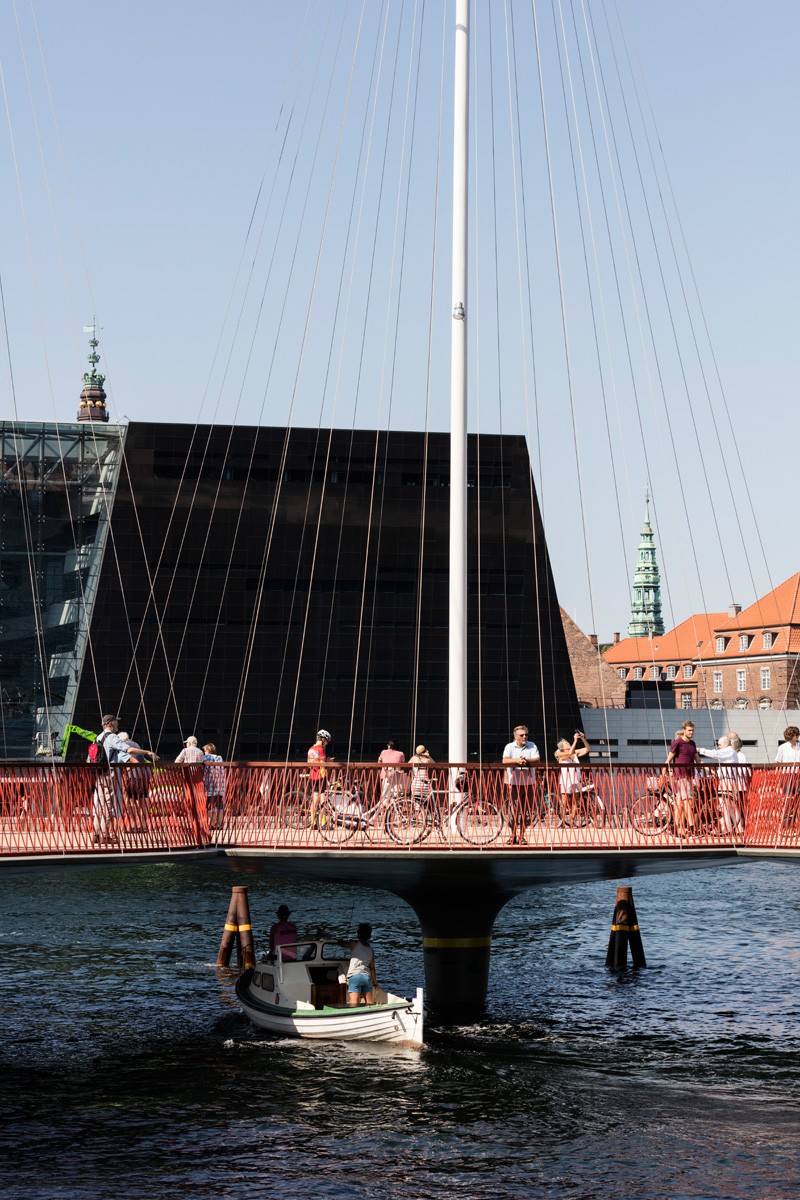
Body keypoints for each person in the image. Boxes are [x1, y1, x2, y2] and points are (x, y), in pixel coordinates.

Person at [92, 714, 159, 843]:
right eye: (116, 722)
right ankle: (105, 836)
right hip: (110, 775)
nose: (118, 725)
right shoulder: (111, 737)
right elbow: (128, 749)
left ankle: (96, 835)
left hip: (100, 774)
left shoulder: (98, 737)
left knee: (100, 805)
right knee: (108, 805)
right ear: (110, 724)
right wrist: (147, 752)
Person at [698, 734, 748, 833]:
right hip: (728, 781)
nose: (719, 747)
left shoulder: (728, 751)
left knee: (725, 805)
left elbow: (714, 753)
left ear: (725, 744)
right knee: (730, 806)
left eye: (720, 745)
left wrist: (700, 750)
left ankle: (727, 829)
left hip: (727, 781)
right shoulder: (730, 751)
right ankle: (737, 828)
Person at [502, 724, 540, 844]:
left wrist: (526, 760)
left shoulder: (532, 745)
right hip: (514, 783)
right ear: (515, 736)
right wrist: (517, 761)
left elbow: (537, 759)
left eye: (526, 734)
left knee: (526, 811)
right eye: (521, 735)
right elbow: (505, 760)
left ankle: (521, 836)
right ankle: (513, 835)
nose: (524, 737)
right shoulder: (510, 746)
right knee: (514, 811)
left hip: (529, 783)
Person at [665, 719, 700, 836]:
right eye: (689, 730)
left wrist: (708, 769)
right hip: (681, 776)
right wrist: (668, 770)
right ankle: (691, 828)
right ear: (684, 730)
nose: (691, 733)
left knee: (680, 803)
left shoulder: (693, 744)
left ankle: (676, 828)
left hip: (689, 776)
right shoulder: (678, 743)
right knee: (687, 802)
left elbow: (698, 760)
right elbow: (668, 760)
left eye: (693, 731)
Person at [555, 731, 591, 827]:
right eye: (566, 743)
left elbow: (588, 749)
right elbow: (569, 752)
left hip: (575, 779)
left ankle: (571, 820)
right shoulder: (559, 754)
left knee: (575, 801)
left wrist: (583, 739)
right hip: (566, 780)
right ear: (562, 746)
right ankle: (562, 820)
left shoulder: (575, 753)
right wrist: (575, 740)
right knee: (564, 801)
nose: (568, 743)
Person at [342, 922, 378, 1006]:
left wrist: (340, 940)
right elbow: (372, 968)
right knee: (369, 1003)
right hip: (367, 977)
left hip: (355, 977)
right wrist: (375, 981)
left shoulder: (354, 944)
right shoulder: (370, 949)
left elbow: (342, 944)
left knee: (354, 1003)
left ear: (359, 933)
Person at [307, 729, 331, 829]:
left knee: (315, 800)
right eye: (327, 741)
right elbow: (322, 766)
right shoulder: (320, 750)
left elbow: (309, 763)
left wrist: (326, 760)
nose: (326, 744)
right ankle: (323, 823)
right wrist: (327, 779)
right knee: (322, 800)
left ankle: (313, 822)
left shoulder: (311, 749)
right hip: (320, 777)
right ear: (323, 739)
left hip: (312, 776)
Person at [202, 743, 226, 830]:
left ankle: (212, 824)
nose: (204, 752)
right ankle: (220, 824)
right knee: (219, 805)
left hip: (210, 785)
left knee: (209, 805)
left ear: (207, 751)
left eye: (204, 751)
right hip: (220, 785)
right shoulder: (219, 758)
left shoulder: (206, 757)